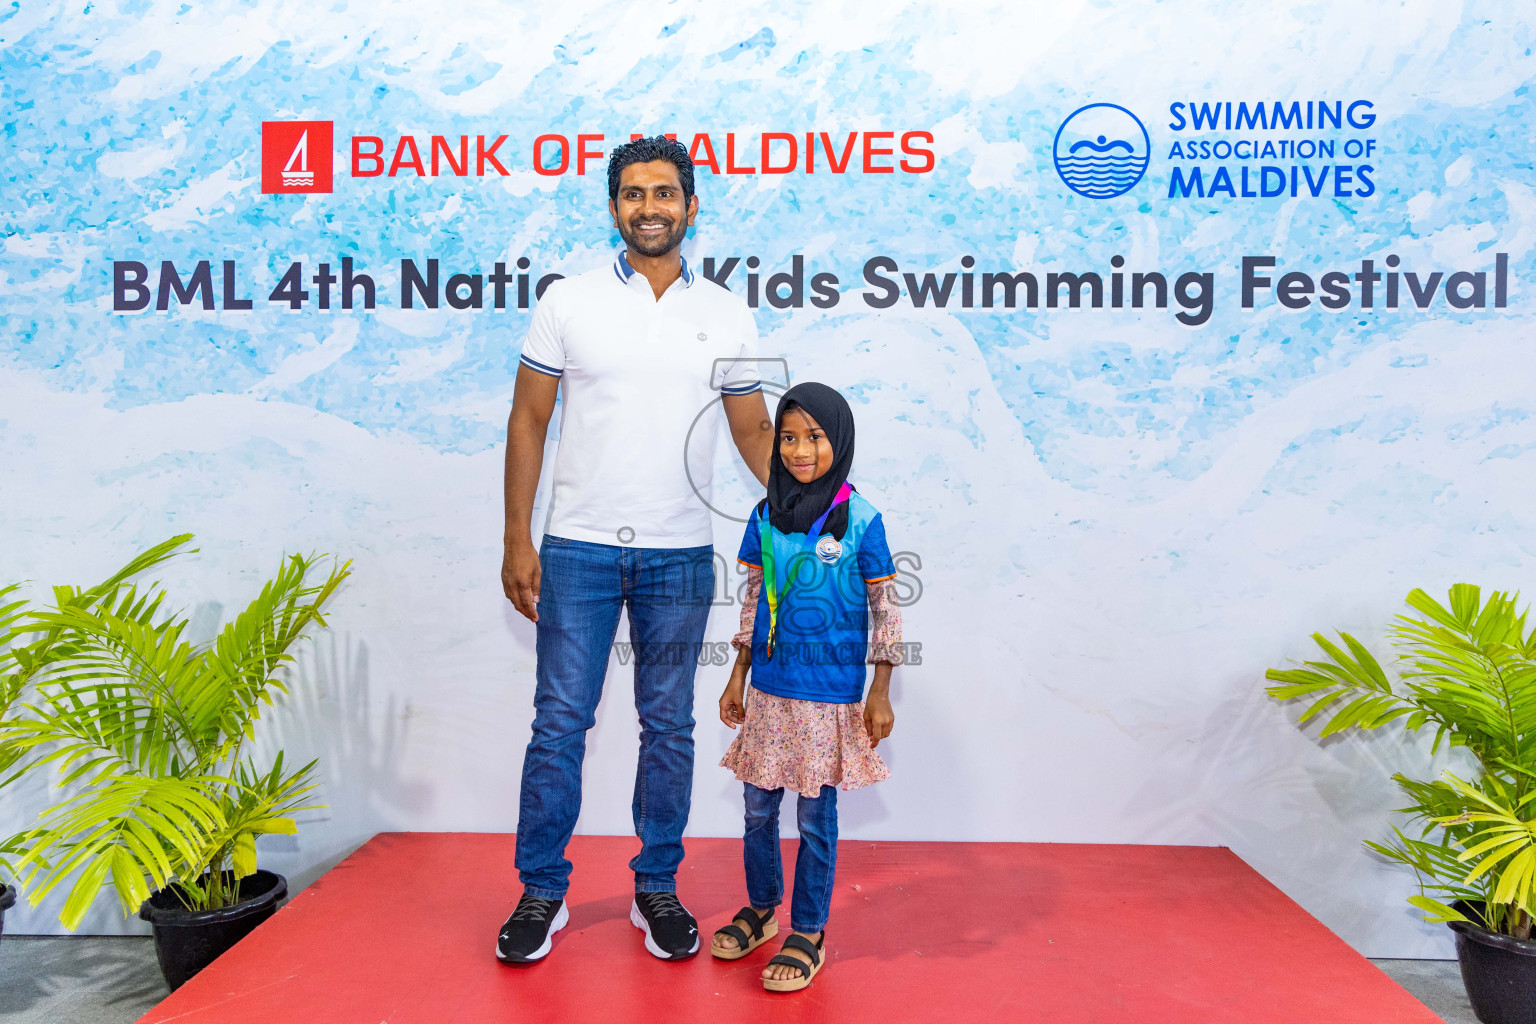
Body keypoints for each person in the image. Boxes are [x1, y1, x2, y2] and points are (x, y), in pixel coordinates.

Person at [495, 136, 774, 965]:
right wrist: (517, 535)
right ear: (614, 208)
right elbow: (528, 421)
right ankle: (541, 892)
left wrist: (813, 508)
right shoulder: (567, 301)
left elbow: (752, 428)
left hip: (680, 554)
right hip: (575, 548)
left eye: (664, 193)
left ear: (692, 206)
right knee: (558, 725)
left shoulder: (725, 310)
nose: (648, 207)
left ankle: (658, 886)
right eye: (632, 194)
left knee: (669, 727)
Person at [710, 382, 903, 992]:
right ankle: (763, 909)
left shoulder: (863, 518)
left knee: (816, 818)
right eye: (788, 437)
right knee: (757, 810)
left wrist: (880, 690)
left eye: (815, 438)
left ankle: (810, 930)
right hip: (768, 691)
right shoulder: (765, 514)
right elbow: (750, 602)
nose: (799, 450)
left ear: (838, 441)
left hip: (830, 699)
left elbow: (885, 607)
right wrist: (736, 675)